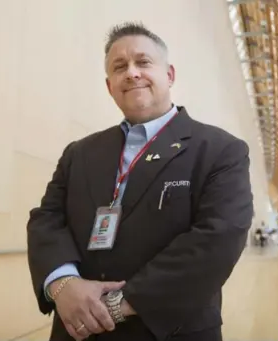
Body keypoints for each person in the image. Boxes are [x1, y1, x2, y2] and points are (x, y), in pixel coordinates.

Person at [26, 21, 254, 341]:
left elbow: (218, 238)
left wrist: (119, 305)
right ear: (110, 86)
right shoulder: (79, 153)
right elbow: (46, 219)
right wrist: (64, 286)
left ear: (170, 74)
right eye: (120, 67)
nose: (132, 73)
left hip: (169, 330)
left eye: (143, 62)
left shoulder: (220, 150)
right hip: (77, 328)